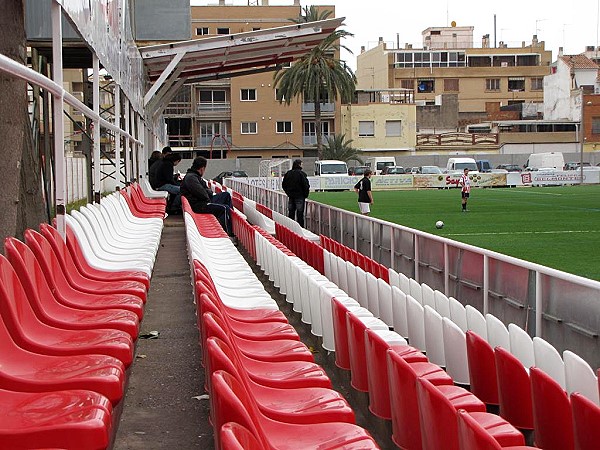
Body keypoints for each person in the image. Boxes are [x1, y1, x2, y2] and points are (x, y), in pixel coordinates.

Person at [180, 156, 233, 235]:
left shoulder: (195, 176)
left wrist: (208, 193)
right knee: (224, 208)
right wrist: (209, 195)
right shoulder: (191, 178)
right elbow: (202, 193)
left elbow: (206, 190)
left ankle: (230, 220)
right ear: (202, 168)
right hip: (199, 205)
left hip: (203, 200)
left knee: (226, 195)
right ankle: (228, 233)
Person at [282, 159, 310, 227]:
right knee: (300, 214)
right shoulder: (302, 174)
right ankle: (300, 229)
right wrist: (305, 195)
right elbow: (306, 185)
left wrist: (288, 193)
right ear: (299, 165)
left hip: (291, 197)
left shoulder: (288, 173)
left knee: (291, 213)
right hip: (299, 196)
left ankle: (290, 228)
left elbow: (284, 185)